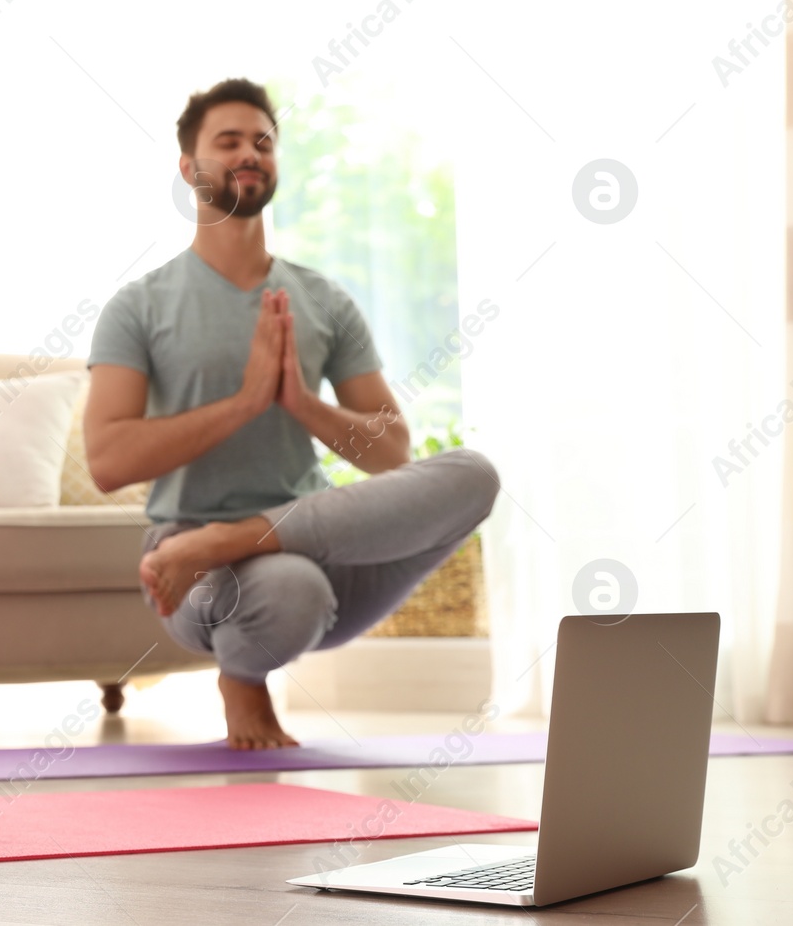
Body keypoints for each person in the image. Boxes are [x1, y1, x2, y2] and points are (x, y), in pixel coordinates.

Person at [82, 78, 499, 750]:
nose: (251, 152)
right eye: (229, 141)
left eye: (264, 142)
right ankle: (239, 673)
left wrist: (302, 403)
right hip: (193, 564)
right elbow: (107, 462)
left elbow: (391, 451)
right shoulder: (139, 306)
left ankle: (234, 537)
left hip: (318, 544)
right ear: (189, 167)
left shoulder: (323, 299)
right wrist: (242, 403)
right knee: (289, 588)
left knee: (474, 474)